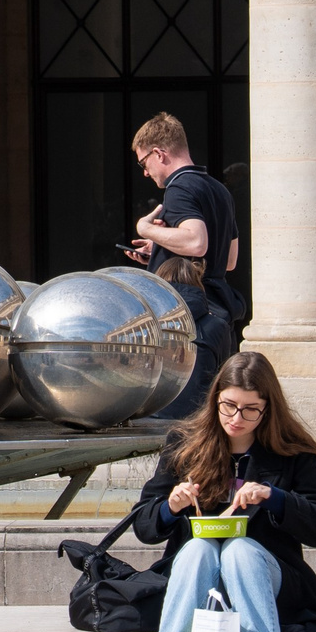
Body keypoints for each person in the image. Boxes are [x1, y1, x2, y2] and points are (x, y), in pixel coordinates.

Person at [134, 352, 316, 632]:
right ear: (215, 400)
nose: (236, 418)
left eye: (250, 409)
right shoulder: (185, 444)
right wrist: (173, 505)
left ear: (268, 409)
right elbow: (144, 526)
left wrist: (275, 497)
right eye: (228, 406)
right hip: (196, 574)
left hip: (266, 573)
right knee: (199, 550)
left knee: (239, 550)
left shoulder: (293, 453)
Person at [122, 112, 245, 419]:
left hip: (191, 322)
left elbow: (195, 243)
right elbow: (228, 260)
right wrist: (160, 248)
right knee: (210, 425)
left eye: (143, 163)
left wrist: (146, 229)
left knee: (178, 429)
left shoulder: (180, 188)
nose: (146, 173)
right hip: (220, 318)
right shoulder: (218, 190)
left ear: (159, 153)